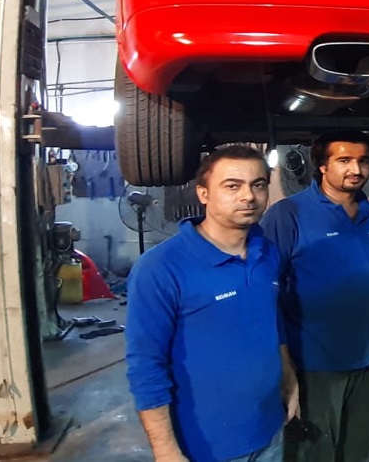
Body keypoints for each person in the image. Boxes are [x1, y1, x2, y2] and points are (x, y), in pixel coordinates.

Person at [126, 144, 298, 462]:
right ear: (203, 194)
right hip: (206, 448)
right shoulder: (160, 267)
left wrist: (289, 378)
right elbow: (146, 365)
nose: (248, 196)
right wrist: (165, 450)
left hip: (270, 431)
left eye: (258, 185)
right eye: (232, 186)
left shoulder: (267, 251)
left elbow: (272, 320)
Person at [261, 130, 369, 462]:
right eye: (344, 160)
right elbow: (265, 290)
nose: (355, 169)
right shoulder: (288, 214)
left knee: (357, 446)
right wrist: (282, 361)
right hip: (313, 361)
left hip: (364, 356)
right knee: (315, 450)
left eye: (363, 161)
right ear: (322, 166)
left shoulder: (368, 211)